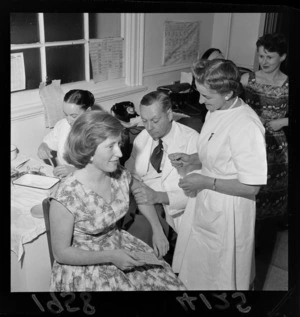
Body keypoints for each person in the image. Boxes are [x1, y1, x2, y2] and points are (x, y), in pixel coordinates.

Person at [49, 110, 186, 291]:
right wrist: (112, 256)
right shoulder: (66, 195)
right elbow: (61, 253)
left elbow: (140, 191)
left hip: (119, 246)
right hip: (85, 266)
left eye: (119, 144)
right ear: (88, 150)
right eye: (110, 146)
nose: (120, 153)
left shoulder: (118, 173)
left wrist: (157, 229)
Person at [170, 59, 267, 290]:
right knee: (199, 268)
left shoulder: (246, 125)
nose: (201, 101)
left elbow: (252, 187)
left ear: (228, 93)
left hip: (229, 207)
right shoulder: (217, 109)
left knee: (220, 274)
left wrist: (205, 180)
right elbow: (218, 153)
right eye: (200, 93)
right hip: (207, 199)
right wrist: (193, 158)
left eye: (206, 96)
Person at [123, 91, 199, 264]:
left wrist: (158, 197)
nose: (149, 127)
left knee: (142, 236)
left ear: (170, 115)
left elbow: (198, 192)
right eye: (144, 120)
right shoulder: (142, 138)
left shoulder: (192, 141)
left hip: (175, 209)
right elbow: (131, 176)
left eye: (155, 121)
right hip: (145, 203)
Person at [240, 33, 288, 226]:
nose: (264, 61)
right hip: (249, 143)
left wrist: (283, 121)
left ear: (282, 57)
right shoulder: (246, 79)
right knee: (249, 191)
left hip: (276, 147)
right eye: (261, 56)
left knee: (273, 196)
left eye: (269, 57)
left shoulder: (288, 83)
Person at [37, 89, 95, 178]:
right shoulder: (63, 125)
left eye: (73, 116)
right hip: (65, 180)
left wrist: (75, 170)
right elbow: (49, 142)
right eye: (66, 114)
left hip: (89, 181)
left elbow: (101, 169)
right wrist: (43, 147)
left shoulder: (98, 132)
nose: (68, 120)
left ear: (88, 111)